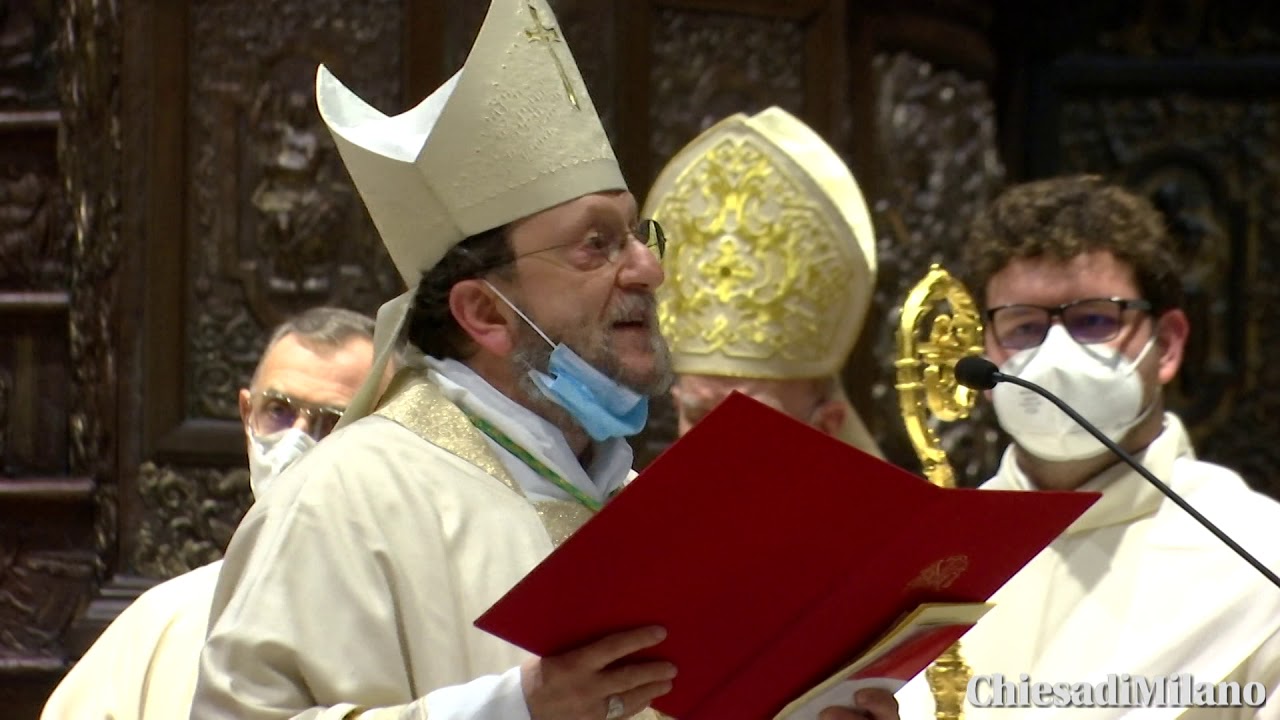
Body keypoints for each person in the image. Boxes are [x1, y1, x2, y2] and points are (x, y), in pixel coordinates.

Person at [188, 1, 901, 719]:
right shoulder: (345, 498)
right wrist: (515, 710)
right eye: (597, 244)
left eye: (635, 232)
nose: (648, 269)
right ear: (486, 314)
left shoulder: (644, 510)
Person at [895, 175, 1280, 719]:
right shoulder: (930, 563)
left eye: (1093, 320)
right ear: (985, 352)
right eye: (1024, 328)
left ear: (1166, 345)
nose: (1054, 355)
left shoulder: (1258, 558)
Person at [40, 306, 381, 720]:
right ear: (246, 413)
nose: (296, 440)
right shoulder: (162, 620)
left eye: (332, 422)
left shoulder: (402, 621)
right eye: (278, 410)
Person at [643, 106, 881, 456]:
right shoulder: (640, 509)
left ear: (826, 426)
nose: (715, 449)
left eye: (746, 421)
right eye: (696, 416)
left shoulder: (884, 514)